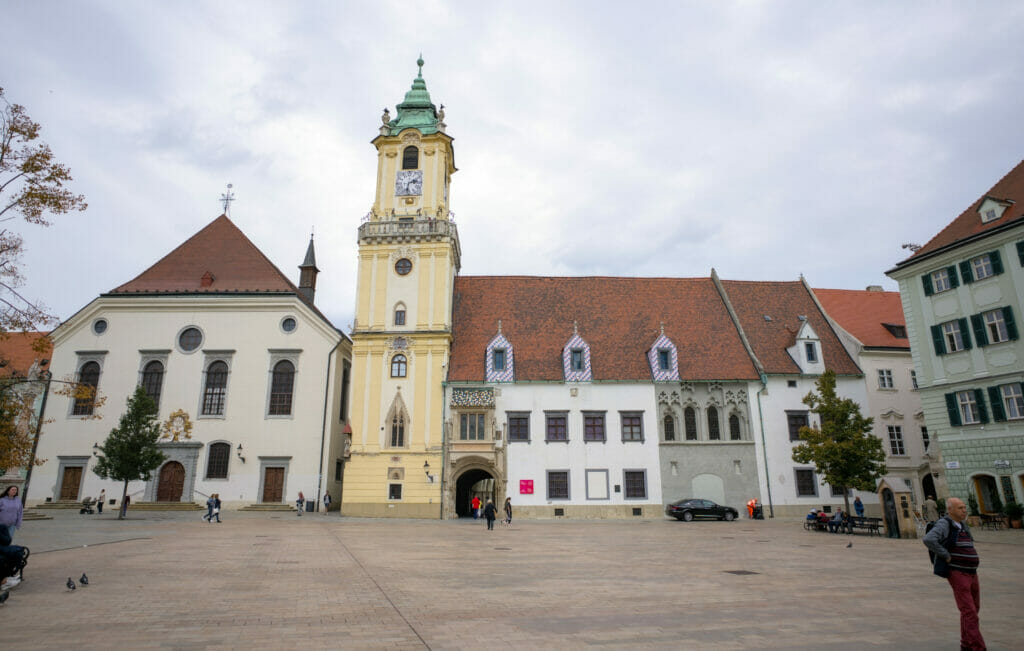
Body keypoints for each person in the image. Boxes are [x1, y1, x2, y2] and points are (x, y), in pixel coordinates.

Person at [924, 497, 984, 651]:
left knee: (972, 610)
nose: (964, 510)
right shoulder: (945, 523)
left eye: (964, 507)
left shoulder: (962, 524)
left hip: (971, 571)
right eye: (960, 508)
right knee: (969, 611)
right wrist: (946, 555)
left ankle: (966, 644)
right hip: (958, 572)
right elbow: (929, 539)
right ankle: (977, 647)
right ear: (950, 510)